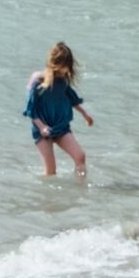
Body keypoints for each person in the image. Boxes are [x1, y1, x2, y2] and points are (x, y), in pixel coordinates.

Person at [24, 40, 94, 177]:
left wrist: (85, 114)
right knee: (51, 172)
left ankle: (81, 190)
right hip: (42, 130)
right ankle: (48, 197)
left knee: (80, 156)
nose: (67, 69)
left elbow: (72, 99)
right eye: (65, 65)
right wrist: (42, 127)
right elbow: (30, 109)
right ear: (55, 63)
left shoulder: (63, 80)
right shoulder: (38, 81)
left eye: (68, 65)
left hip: (60, 127)